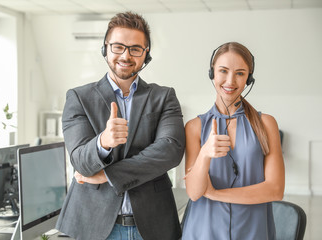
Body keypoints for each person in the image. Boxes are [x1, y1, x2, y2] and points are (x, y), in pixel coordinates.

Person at [56, 12, 185, 240]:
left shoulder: (164, 97)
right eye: (118, 47)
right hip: (94, 226)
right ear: (105, 48)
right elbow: (80, 161)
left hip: (153, 224)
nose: (126, 55)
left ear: (146, 55)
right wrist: (103, 141)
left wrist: (108, 175)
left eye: (136, 49)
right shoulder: (79, 97)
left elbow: (170, 151)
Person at [182, 42, 285, 240]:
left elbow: (275, 189)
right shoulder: (195, 127)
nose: (230, 81)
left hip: (252, 231)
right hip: (204, 231)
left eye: (240, 73)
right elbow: (194, 193)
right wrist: (204, 153)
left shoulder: (266, 124)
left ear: (249, 78)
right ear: (212, 73)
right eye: (223, 71)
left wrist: (214, 194)